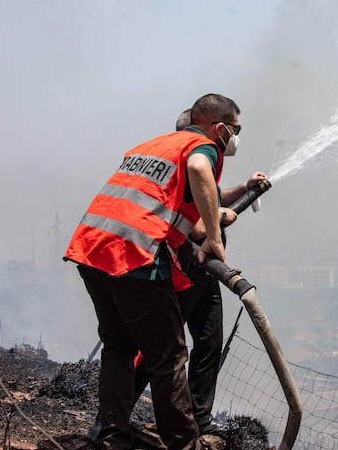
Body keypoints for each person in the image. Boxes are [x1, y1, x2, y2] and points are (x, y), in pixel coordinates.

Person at [64, 93, 245, 450]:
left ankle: (111, 437)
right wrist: (214, 238)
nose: (235, 137)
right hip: (134, 255)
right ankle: (184, 444)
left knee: (119, 346)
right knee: (169, 357)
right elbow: (199, 170)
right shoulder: (204, 147)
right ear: (219, 127)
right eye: (235, 129)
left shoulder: (154, 145)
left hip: (92, 248)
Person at [131, 107, 267, 436]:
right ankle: (119, 413)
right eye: (233, 129)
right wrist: (220, 218)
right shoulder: (188, 164)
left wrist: (245, 187)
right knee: (162, 349)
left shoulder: (204, 168)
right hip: (183, 272)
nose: (234, 137)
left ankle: (199, 419)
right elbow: (193, 226)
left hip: (207, 275)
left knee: (208, 344)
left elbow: (215, 196)